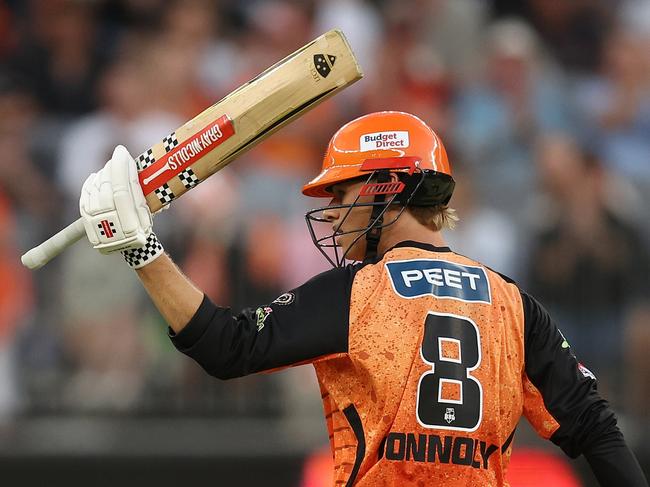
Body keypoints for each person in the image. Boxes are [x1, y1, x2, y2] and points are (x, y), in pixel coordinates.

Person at [77, 111, 648, 486]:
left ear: (386, 192)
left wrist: (143, 250)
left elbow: (227, 347)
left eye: (340, 192)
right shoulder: (515, 303)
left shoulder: (360, 293)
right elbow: (596, 427)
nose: (328, 212)